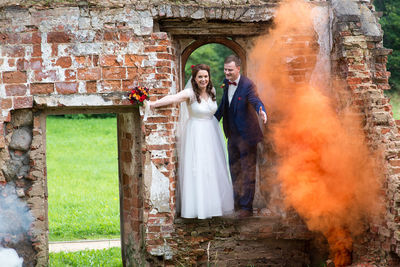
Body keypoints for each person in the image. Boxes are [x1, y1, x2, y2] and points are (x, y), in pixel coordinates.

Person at [148, 64, 234, 219]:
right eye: (200, 76)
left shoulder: (212, 91)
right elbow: (173, 98)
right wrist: (153, 104)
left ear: (209, 77)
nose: (203, 79)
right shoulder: (190, 93)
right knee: (198, 167)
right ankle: (197, 207)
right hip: (196, 133)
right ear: (194, 78)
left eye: (206, 76)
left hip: (212, 133)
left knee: (212, 168)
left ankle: (213, 206)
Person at [215, 55, 267, 218]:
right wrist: (210, 121)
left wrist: (262, 110)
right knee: (234, 170)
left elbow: (255, 100)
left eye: (230, 70)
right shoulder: (226, 83)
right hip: (232, 135)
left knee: (248, 171)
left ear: (238, 68)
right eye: (225, 69)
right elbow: (224, 105)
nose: (227, 73)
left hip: (247, 135)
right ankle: (237, 203)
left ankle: (246, 208)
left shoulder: (247, 84)